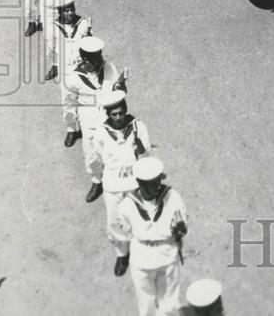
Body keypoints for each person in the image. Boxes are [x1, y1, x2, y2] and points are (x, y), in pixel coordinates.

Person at [86, 91, 152, 277]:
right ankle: (122, 254)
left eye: (121, 112)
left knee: (141, 219)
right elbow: (97, 156)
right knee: (114, 222)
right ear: (108, 114)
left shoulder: (138, 126)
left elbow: (147, 152)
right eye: (114, 114)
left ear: (125, 110)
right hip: (113, 184)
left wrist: (140, 148)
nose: (118, 117)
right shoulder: (101, 133)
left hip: (134, 182)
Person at [113, 158, 188, 316]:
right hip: (142, 258)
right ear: (140, 183)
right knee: (146, 305)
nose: (157, 186)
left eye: (158, 181)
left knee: (169, 304)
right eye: (152, 183)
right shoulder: (127, 204)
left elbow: (183, 224)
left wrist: (180, 229)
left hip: (167, 255)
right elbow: (124, 230)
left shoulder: (172, 197)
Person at [63, 37, 125, 198]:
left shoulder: (109, 68)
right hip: (89, 122)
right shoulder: (73, 78)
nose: (99, 61)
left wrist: (122, 87)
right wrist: (72, 123)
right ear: (84, 59)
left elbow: (117, 91)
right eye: (94, 58)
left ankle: (117, 180)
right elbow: (69, 103)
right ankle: (97, 181)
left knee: (115, 150)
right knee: (92, 155)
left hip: (110, 120)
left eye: (99, 56)